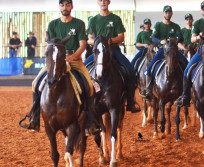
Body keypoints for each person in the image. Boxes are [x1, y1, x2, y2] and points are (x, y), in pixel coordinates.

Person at [19, 0, 100, 135]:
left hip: (74, 60)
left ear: (71, 6)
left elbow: (82, 45)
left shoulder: (79, 24)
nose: (65, 7)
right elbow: (48, 45)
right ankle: (35, 118)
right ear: (59, 7)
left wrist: (72, 56)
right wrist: (53, 58)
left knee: (90, 86)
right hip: (56, 61)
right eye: (62, 5)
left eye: (67, 4)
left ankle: (90, 121)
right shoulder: (53, 25)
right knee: (35, 84)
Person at [86, 0, 140, 113]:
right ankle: (85, 104)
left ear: (108, 2)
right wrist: (98, 42)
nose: (103, 2)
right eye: (100, 0)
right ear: (98, 2)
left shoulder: (115, 19)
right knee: (84, 70)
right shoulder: (93, 20)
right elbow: (89, 39)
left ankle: (130, 102)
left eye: (105, 0)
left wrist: (109, 41)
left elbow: (121, 37)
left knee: (130, 70)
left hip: (113, 50)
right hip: (98, 52)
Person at [141, 5, 189, 99]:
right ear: (163, 13)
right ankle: (148, 90)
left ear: (171, 13)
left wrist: (176, 39)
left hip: (174, 51)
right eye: (166, 12)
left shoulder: (175, 26)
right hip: (162, 50)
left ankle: (187, 91)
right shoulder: (158, 25)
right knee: (149, 68)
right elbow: (154, 38)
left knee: (187, 65)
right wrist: (160, 41)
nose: (168, 14)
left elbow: (181, 37)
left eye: (169, 12)